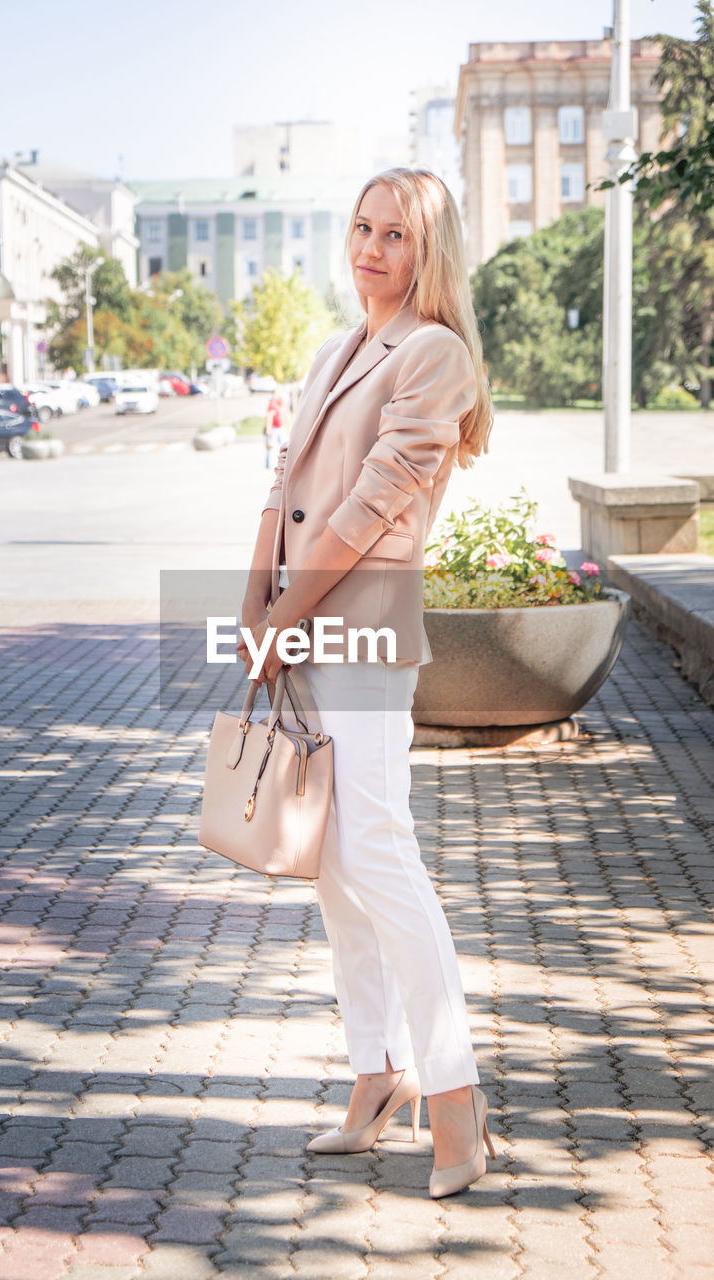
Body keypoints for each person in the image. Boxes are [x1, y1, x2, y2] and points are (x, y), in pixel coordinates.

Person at [237, 167, 495, 1199]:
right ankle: (374, 1070)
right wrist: (254, 612)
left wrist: (286, 611)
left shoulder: (433, 355)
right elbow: (283, 488)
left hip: (362, 631)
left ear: (428, 253)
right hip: (300, 626)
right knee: (335, 869)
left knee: (378, 855)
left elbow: (378, 502)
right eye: (361, 227)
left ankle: (456, 1103)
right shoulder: (334, 348)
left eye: (394, 233)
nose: (371, 248)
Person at [264, 392, 286, 469]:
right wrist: (268, 429)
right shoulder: (272, 404)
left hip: (280, 428)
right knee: (270, 446)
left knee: (284, 446)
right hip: (274, 428)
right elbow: (269, 416)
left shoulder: (281, 403)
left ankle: (284, 463)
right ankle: (268, 464)